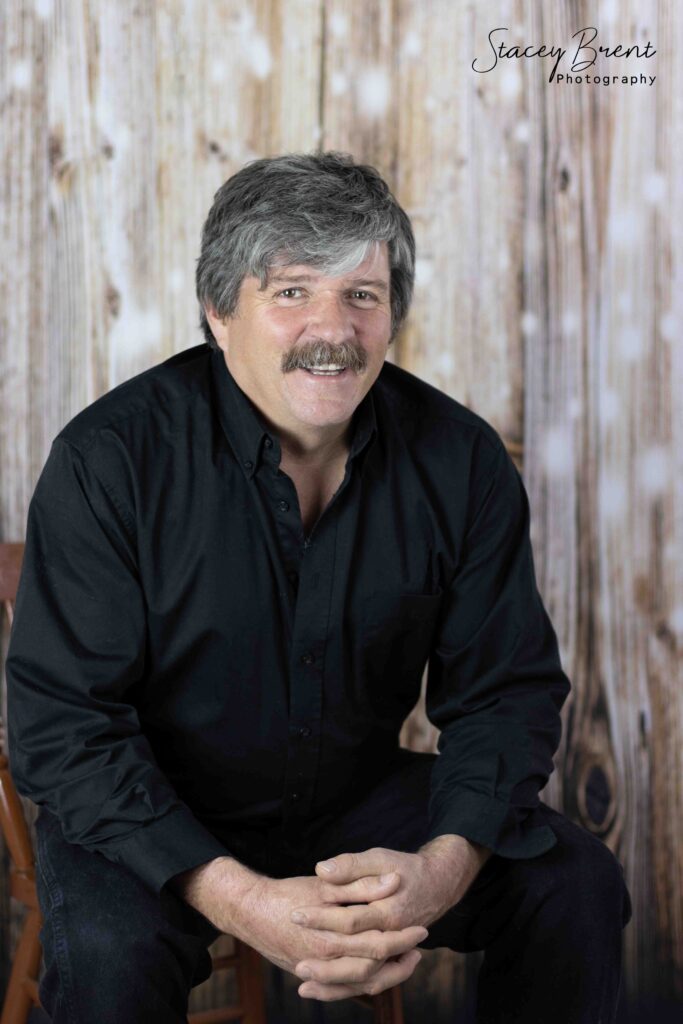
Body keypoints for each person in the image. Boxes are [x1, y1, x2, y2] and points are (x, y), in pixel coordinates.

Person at [7, 151, 631, 1023]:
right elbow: (65, 731)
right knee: (113, 949)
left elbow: (504, 695)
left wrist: (439, 870)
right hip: (152, 809)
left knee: (574, 884)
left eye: (361, 295)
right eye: (292, 291)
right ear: (219, 313)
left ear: (391, 315)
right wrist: (243, 900)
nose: (331, 327)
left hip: (352, 797)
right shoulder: (109, 462)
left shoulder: (460, 461)